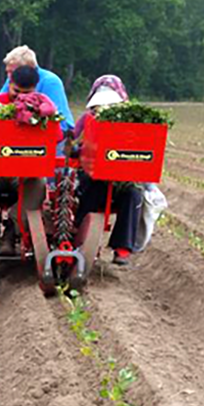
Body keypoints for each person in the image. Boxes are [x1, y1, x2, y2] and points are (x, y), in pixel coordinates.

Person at [0, 65, 58, 256]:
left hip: (24, 168)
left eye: (27, 93)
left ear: (36, 89)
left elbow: (54, 138)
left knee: (39, 182)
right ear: (9, 84)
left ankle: (12, 232)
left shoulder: (43, 112)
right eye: (16, 91)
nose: (20, 98)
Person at [73, 75, 144, 266]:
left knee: (133, 194)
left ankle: (122, 248)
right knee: (90, 186)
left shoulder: (132, 121)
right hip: (92, 172)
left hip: (122, 174)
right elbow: (72, 139)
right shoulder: (87, 119)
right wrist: (79, 149)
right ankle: (79, 236)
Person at [0, 46, 74, 137]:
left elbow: (58, 121)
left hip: (56, 133)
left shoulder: (50, 82)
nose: (9, 77)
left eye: (12, 72)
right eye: (8, 72)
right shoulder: (12, 79)